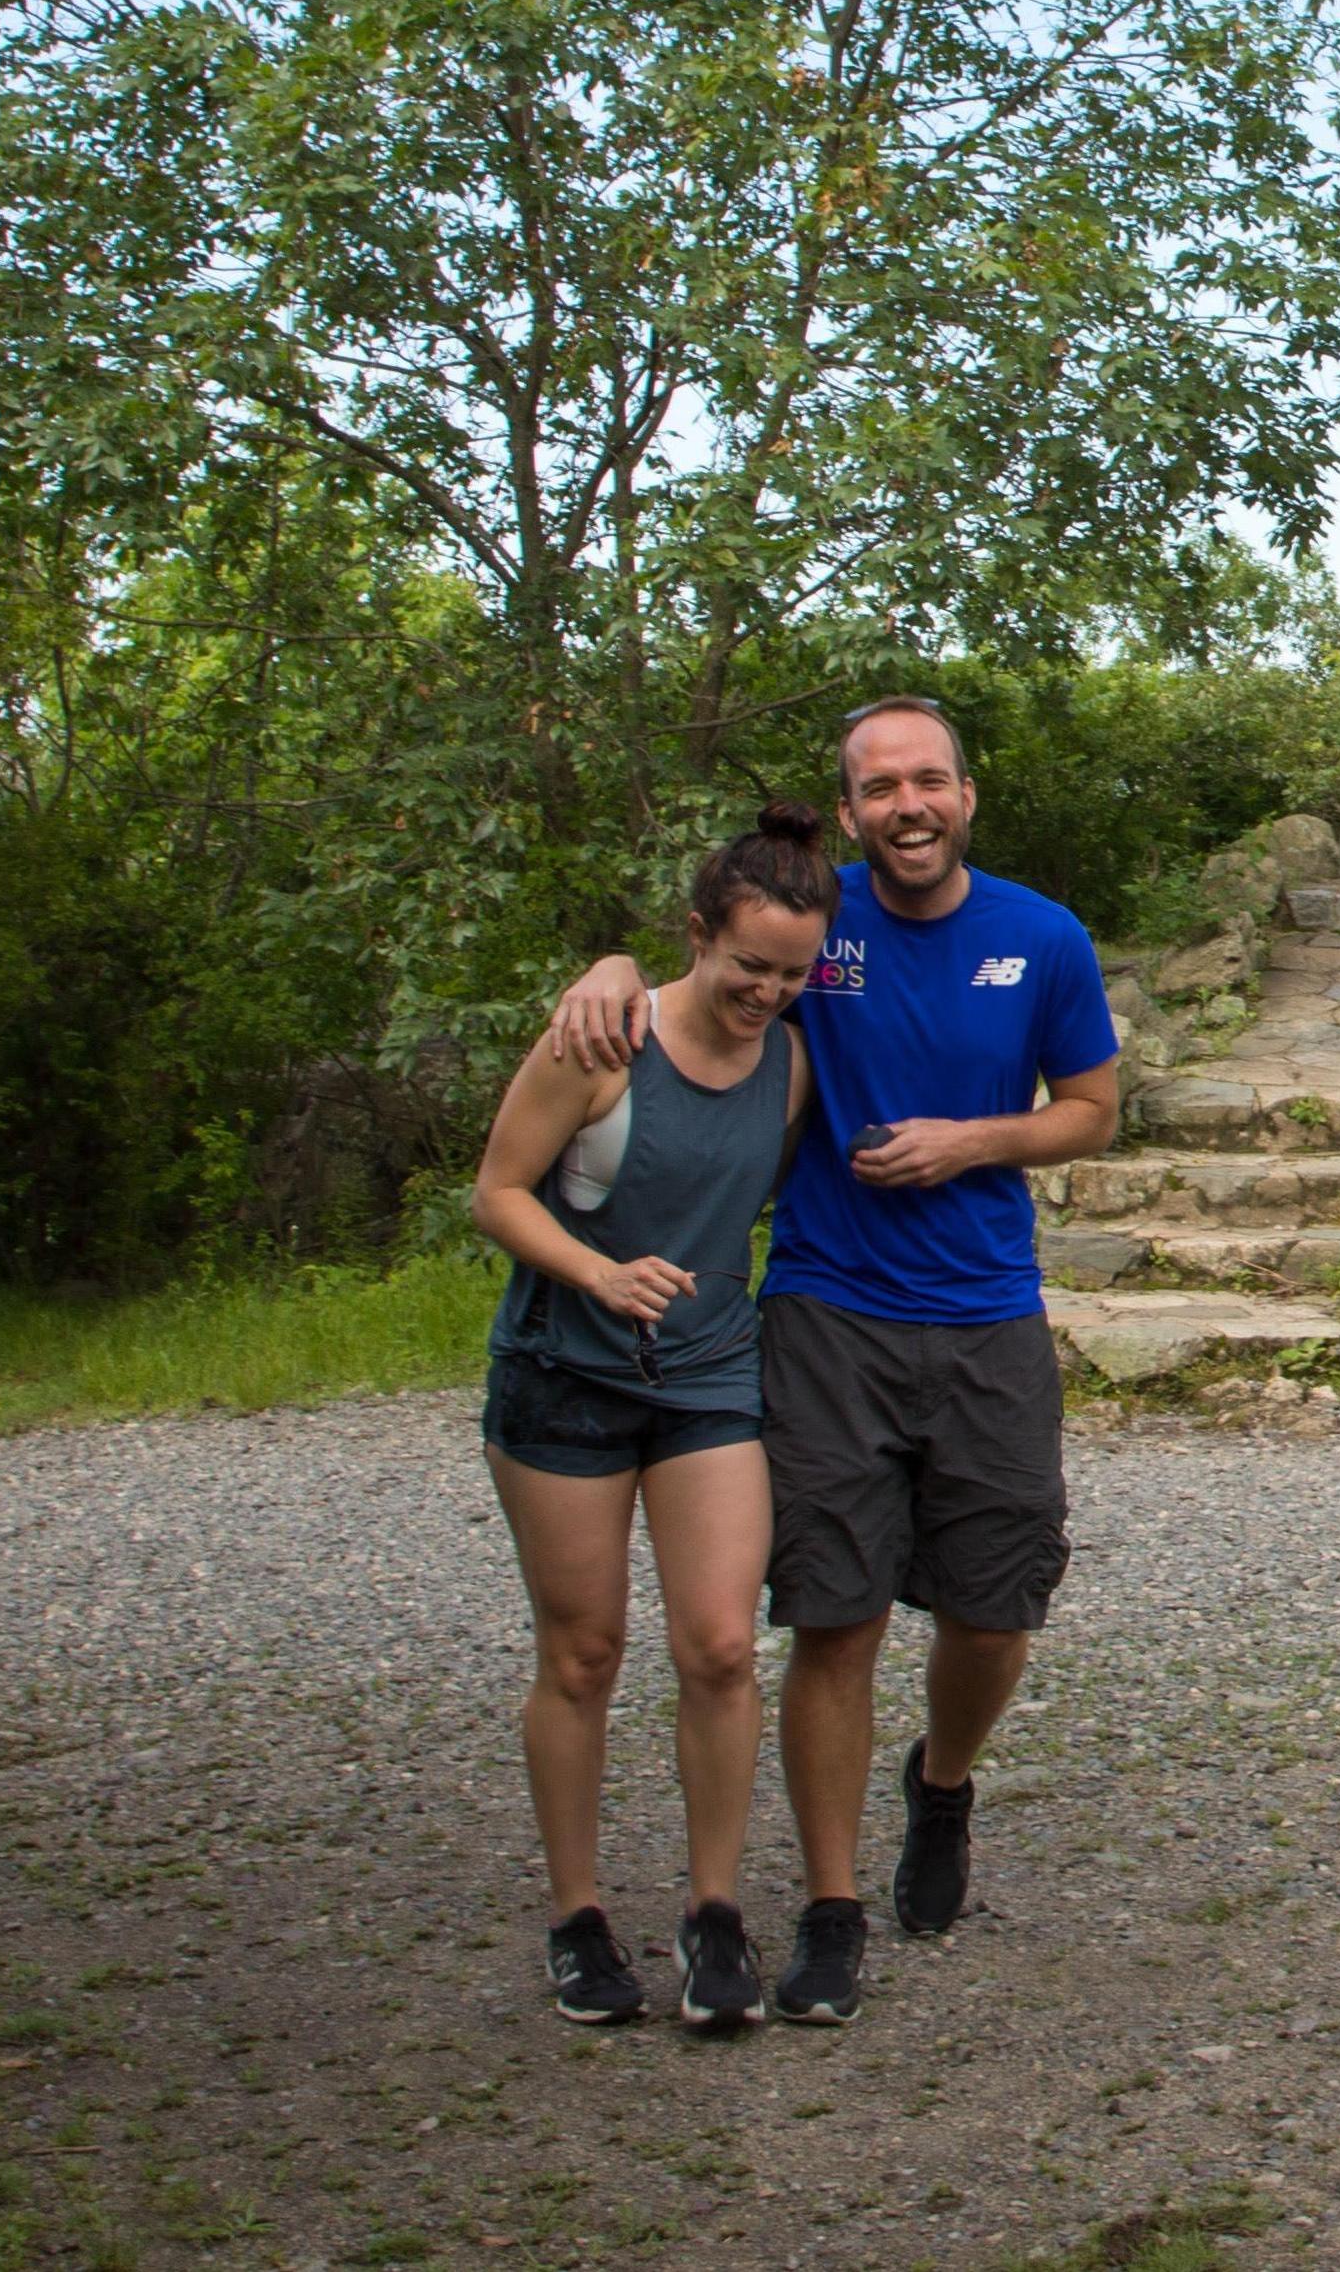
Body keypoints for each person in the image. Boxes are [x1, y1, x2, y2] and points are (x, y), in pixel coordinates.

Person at [544, 697, 1119, 2028]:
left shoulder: (1042, 937)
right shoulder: (821, 919)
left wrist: (967, 1142)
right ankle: (830, 1905)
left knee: (995, 1604)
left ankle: (944, 1780)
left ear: (967, 794)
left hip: (984, 1311)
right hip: (824, 1311)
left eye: (930, 780)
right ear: (849, 806)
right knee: (835, 1615)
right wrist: (609, 962)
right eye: (880, 786)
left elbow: (1091, 1110)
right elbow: (705, 960)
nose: (907, 803)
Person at [472, 801, 838, 2033]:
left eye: (791, 973)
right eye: (747, 966)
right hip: (564, 1372)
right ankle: (577, 1916)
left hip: (705, 1373)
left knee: (722, 1645)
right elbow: (499, 1190)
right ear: (697, 935)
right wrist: (596, 1270)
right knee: (582, 1652)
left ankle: (714, 1908)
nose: (766, 992)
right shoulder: (601, 1039)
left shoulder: (789, 1061)